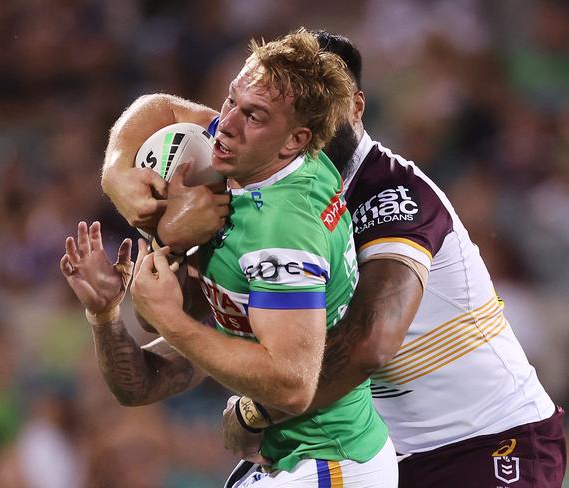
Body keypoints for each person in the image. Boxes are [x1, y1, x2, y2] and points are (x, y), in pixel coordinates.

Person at [100, 30, 567, 487]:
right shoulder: (268, 150)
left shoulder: (392, 196)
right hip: (386, 449)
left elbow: (369, 343)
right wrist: (119, 172)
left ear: (351, 106)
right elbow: (160, 109)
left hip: (489, 442)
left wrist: (257, 409)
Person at [63, 29, 398, 487]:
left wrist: (171, 319)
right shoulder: (257, 156)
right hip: (286, 461)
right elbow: (162, 107)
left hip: (329, 465)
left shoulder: (281, 234)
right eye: (230, 101)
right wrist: (117, 172)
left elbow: (293, 385)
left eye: (253, 115)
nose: (226, 124)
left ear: (293, 140)